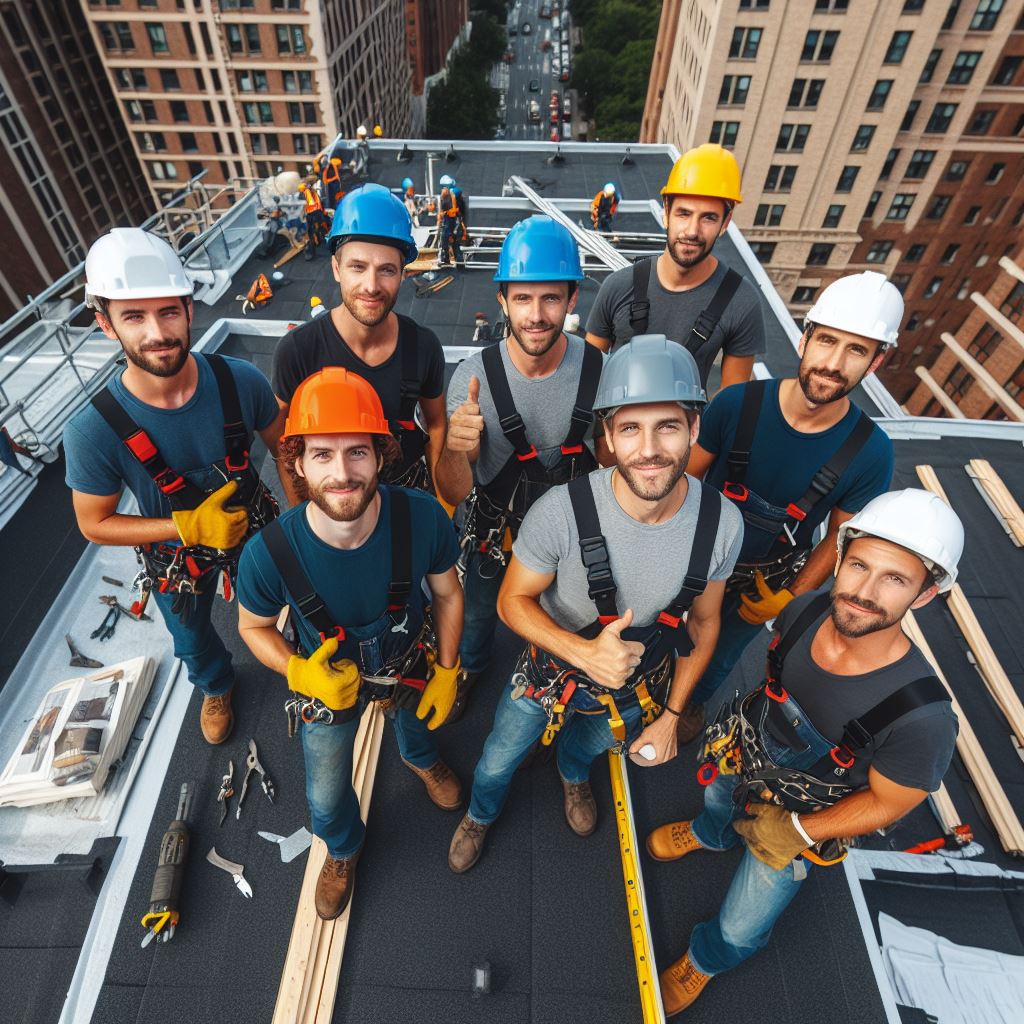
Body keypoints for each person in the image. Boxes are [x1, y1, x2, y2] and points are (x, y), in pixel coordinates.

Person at [648, 489, 964, 1015]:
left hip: (806, 810)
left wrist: (798, 832)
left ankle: (706, 959)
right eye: (859, 565)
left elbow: (889, 803)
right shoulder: (802, 611)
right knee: (719, 800)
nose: (864, 592)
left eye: (895, 579)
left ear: (925, 594)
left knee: (743, 923)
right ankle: (710, 834)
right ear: (839, 559)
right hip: (750, 751)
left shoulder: (922, 717)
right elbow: (774, 677)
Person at [447, 335, 744, 873]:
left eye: (668, 426)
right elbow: (512, 601)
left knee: (583, 751)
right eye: (630, 428)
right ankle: (479, 814)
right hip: (547, 672)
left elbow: (703, 624)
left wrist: (671, 716)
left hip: (633, 686)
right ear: (607, 435)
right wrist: (583, 654)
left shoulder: (720, 524)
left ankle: (573, 778)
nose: (649, 449)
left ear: (694, 428)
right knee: (496, 760)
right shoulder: (560, 512)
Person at [236, 367, 464, 921]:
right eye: (322, 455)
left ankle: (420, 758)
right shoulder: (269, 554)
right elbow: (252, 628)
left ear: (380, 456)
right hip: (327, 684)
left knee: (419, 727)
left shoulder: (421, 517)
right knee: (324, 794)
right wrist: (298, 672)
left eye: (357, 452)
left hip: (408, 663)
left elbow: (448, 595)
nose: (342, 473)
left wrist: (447, 669)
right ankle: (342, 846)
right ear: (297, 463)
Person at [64, 228, 285, 744]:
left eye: (168, 311)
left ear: (189, 309)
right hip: (174, 551)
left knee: (296, 593)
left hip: (252, 521)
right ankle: (216, 684)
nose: (157, 332)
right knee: (189, 635)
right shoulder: (93, 429)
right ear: (106, 324)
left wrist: (302, 532)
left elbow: (288, 454)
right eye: (133, 317)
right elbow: (94, 523)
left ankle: (300, 654)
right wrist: (183, 527)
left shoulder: (240, 381)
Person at [678, 272, 899, 741]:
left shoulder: (870, 452)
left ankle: (690, 703)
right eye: (827, 341)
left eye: (856, 350)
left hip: (765, 578)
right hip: (695, 552)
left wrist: (790, 596)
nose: (833, 363)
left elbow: (842, 538)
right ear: (804, 339)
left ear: (875, 362)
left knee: (721, 655)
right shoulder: (737, 404)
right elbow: (685, 481)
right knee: (659, 627)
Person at [434, 216, 603, 721]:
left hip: (570, 533)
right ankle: (471, 668)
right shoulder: (474, 380)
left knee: (565, 614)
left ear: (572, 300)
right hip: (497, 531)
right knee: (477, 613)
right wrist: (455, 449)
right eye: (523, 298)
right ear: (503, 300)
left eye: (550, 298)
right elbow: (453, 490)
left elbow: (614, 470)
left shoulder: (600, 373)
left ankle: (549, 678)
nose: (536, 315)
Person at [272, 183, 447, 494]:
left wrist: (436, 502)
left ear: (403, 274)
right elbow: (282, 443)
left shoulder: (423, 347)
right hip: (335, 497)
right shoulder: (298, 351)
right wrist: (303, 515)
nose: (371, 285)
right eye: (357, 267)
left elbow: (436, 424)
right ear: (336, 268)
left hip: (403, 492)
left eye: (387, 270)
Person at [585, 144, 764, 392]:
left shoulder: (740, 301)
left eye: (709, 217)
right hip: (617, 415)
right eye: (684, 213)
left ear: (725, 223)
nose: (692, 231)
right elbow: (588, 378)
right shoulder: (618, 287)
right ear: (666, 212)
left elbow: (732, 399)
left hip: (689, 416)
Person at [298, 180, 327, 261]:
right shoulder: (312, 191)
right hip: (317, 212)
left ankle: (312, 250)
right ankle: (319, 241)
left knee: (312, 231)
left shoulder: (307, 192)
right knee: (318, 229)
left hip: (313, 214)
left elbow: (310, 203)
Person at [436, 175, 462, 268]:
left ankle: (450, 259)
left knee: (447, 240)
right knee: (449, 242)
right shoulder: (451, 195)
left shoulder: (449, 195)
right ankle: (450, 260)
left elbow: (448, 210)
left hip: (450, 221)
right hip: (451, 220)